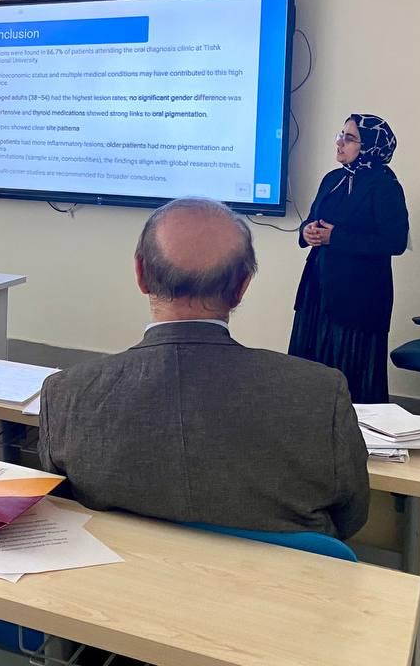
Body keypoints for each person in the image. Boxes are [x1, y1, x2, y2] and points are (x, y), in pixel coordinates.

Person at [40, 198, 369, 539]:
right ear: (241, 286)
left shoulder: (66, 393)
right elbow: (352, 517)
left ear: (140, 274)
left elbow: (65, 509)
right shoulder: (319, 393)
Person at [289, 114, 409, 403]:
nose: (340, 142)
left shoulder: (385, 185)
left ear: (370, 146)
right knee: (308, 372)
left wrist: (336, 237)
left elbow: (395, 241)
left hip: (359, 297)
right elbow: (313, 219)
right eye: (340, 135)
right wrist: (307, 232)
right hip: (319, 290)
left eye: (350, 138)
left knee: (350, 377)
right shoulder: (333, 179)